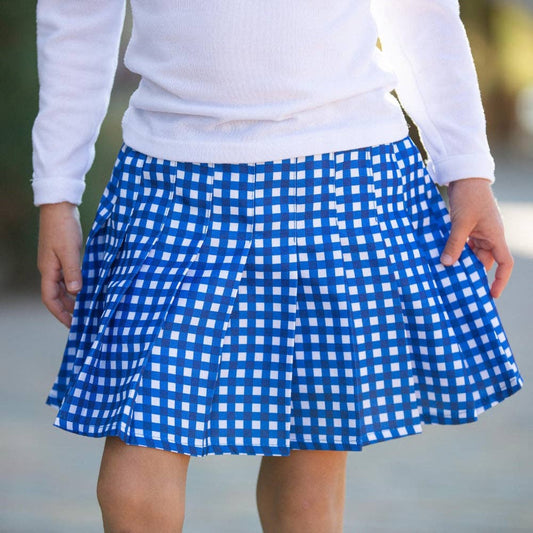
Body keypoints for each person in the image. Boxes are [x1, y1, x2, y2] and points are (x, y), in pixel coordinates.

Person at [32, 1, 523, 532]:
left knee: (311, 460)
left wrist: (468, 167)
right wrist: (56, 193)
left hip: (343, 175)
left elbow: (421, 15)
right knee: (136, 445)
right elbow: (75, 16)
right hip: (170, 181)